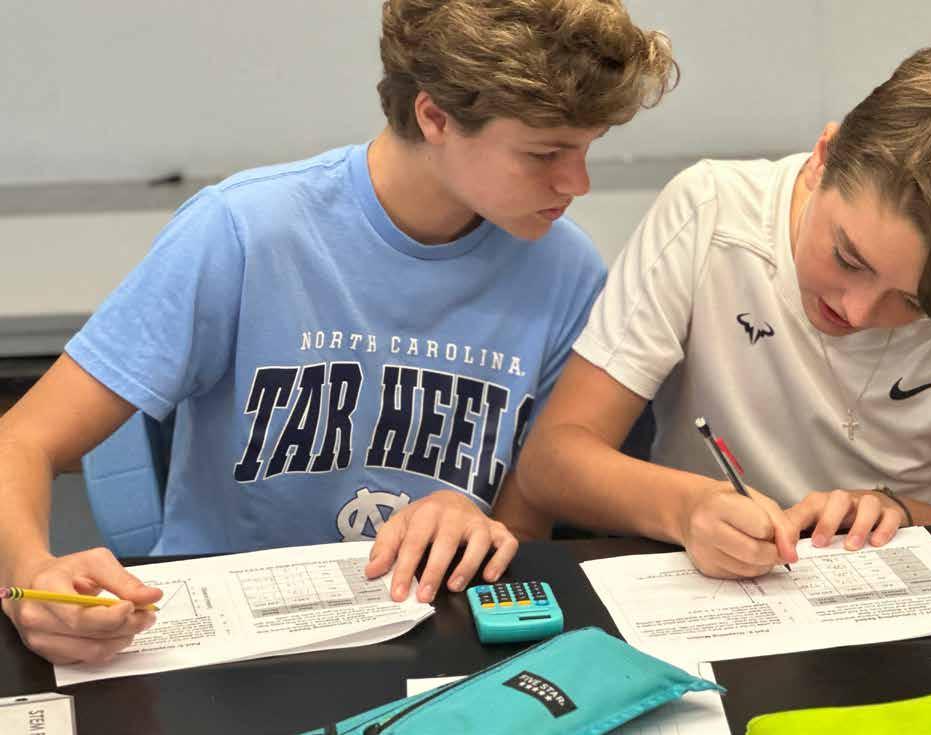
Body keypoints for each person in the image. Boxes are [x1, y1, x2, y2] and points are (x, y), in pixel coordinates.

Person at [0, 0, 677, 664]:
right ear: (435, 117)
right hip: (232, 648)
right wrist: (29, 573)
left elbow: (525, 520)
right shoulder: (243, 231)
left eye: (587, 149)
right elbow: (22, 439)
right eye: (545, 153)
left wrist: (481, 523)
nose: (577, 183)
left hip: (435, 630)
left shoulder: (565, 270)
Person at [510, 45, 931, 581]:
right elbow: (550, 463)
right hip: (701, 588)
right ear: (823, 158)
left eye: (914, 304)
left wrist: (906, 513)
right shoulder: (710, 214)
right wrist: (687, 508)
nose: (857, 311)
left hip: (892, 600)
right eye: (848, 258)